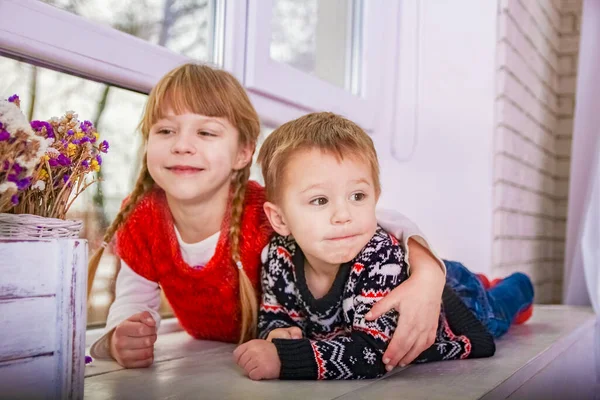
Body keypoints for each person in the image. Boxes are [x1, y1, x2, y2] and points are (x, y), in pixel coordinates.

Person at [88, 64, 448, 369]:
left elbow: (366, 218)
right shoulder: (142, 218)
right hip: (247, 352)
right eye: (165, 130)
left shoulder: (261, 211)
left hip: (402, 297)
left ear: (243, 152)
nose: (182, 144)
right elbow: (133, 300)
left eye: (206, 132)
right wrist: (119, 338)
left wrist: (429, 275)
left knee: (478, 290)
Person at [234, 112, 534, 380]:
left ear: (375, 197)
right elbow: (276, 313)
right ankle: (482, 281)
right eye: (320, 200)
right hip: (428, 275)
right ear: (280, 218)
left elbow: (376, 352)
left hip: (459, 308)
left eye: (358, 196)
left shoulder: (378, 255)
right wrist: (276, 332)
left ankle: (518, 286)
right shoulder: (278, 255)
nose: (343, 215)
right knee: (470, 280)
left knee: (497, 308)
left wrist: (285, 359)